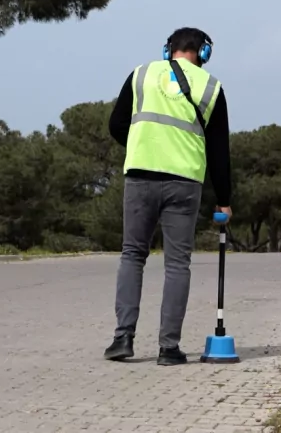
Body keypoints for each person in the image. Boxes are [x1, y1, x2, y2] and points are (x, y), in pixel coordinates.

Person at [103, 27, 232, 366]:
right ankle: (168, 348)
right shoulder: (211, 87)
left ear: (167, 50)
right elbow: (219, 150)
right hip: (184, 181)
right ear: (203, 54)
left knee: (132, 255)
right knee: (177, 263)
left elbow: (116, 125)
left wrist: (142, 145)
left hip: (140, 176)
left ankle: (123, 338)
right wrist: (224, 199)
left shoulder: (140, 74)